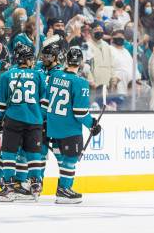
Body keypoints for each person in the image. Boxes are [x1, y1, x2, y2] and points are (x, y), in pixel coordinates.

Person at [0, 43, 46, 202]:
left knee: (9, 152)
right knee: (33, 152)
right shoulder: (38, 75)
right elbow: (44, 101)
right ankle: (35, 181)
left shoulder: (6, 75)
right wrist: (42, 118)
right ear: (29, 59)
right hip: (34, 120)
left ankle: (8, 184)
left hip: (13, 119)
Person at [44, 47, 101, 203]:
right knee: (70, 160)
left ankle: (61, 188)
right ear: (81, 62)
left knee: (62, 160)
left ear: (66, 60)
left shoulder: (53, 76)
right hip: (70, 130)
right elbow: (80, 113)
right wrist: (92, 124)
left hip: (52, 129)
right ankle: (64, 191)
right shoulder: (80, 83)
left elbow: (45, 101)